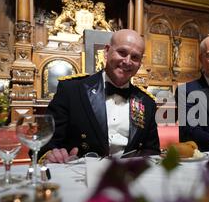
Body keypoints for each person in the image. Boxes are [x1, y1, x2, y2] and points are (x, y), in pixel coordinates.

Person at [39, 29, 160, 163]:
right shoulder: (72, 90)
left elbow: (152, 150)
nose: (127, 61)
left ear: (140, 64)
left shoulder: (147, 102)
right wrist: (51, 154)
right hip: (78, 175)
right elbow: (43, 141)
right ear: (107, 52)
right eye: (122, 53)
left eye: (135, 57)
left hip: (128, 177)